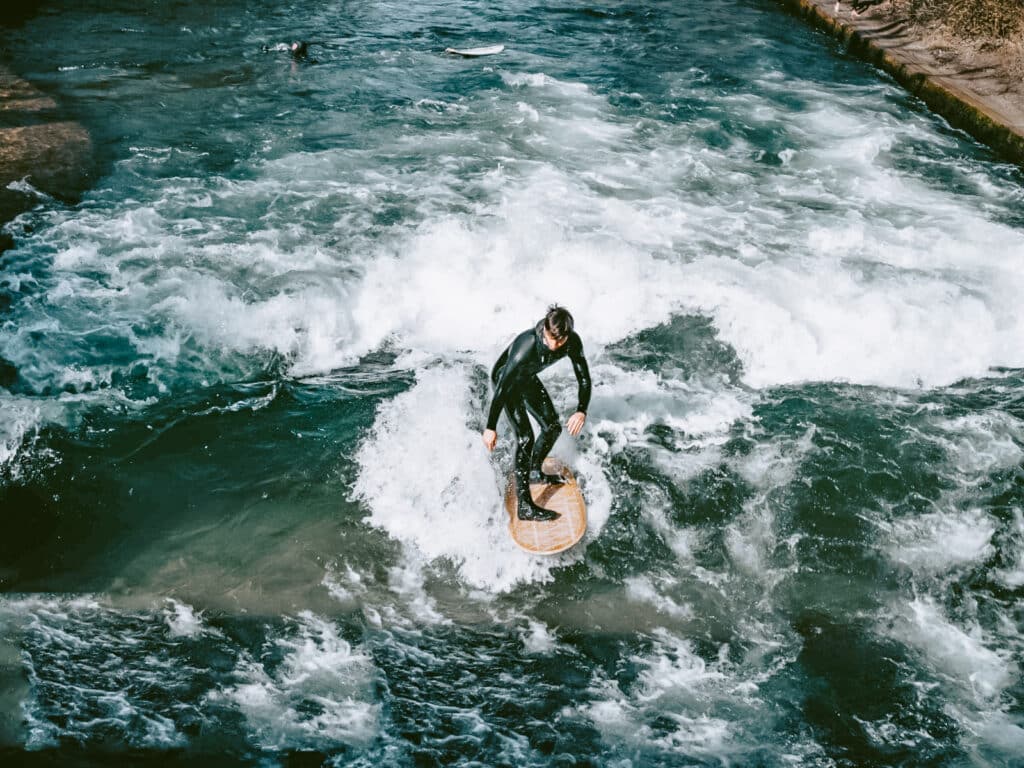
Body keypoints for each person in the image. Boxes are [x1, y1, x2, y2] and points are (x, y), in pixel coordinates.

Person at [482, 306, 591, 521]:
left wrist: (581, 411)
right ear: (545, 331)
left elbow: (584, 378)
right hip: (507, 380)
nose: (555, 346)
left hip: (527, 378)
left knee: (552, 427)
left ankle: (535, 471)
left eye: (561, 341)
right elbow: (503, 387)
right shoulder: (527, 345)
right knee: (525, 439)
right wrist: (490, 427)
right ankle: (525, 507)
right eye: (552, 339)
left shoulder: (571, 342)